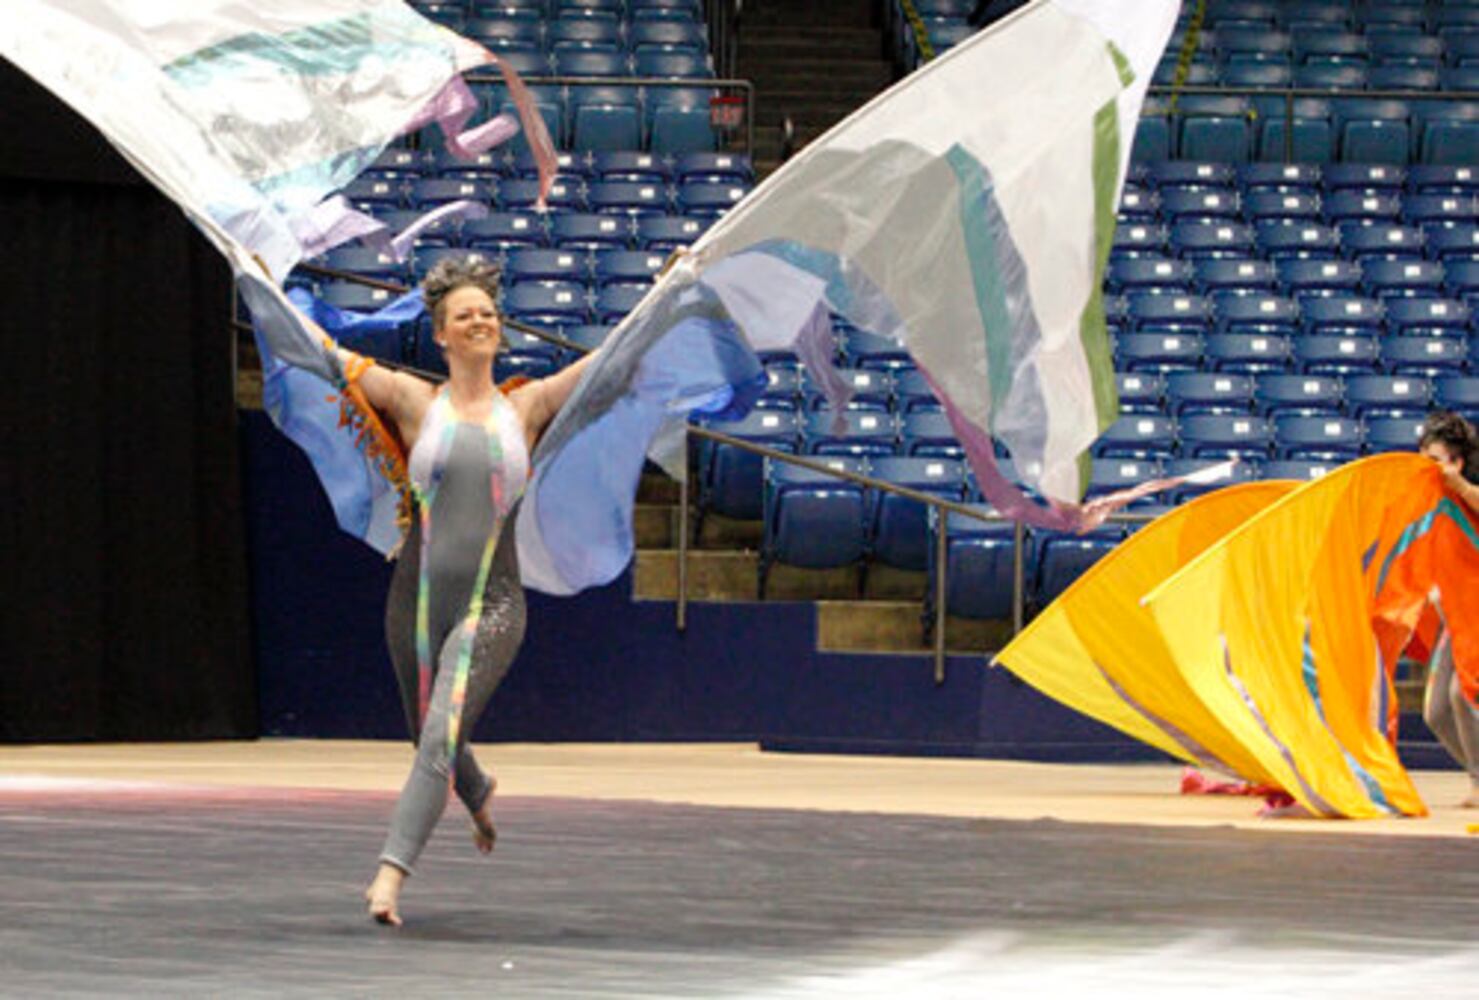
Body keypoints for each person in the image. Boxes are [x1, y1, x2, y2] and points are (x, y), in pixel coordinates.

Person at [320, 256, 599, 924]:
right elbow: (324, 357)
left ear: (499, 330)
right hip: (411, 603)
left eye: (487, 313)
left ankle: (389, 876)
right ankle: (476, 789)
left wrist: (672, 288)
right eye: (463, 314)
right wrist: (260, 287)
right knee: (428, 733)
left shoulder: (526, 406)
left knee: (441, 732)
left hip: (493, 603)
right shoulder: (414, 401)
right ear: (440, 334)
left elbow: (616, 359)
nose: (479, 320)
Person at [1417, 410, 1479, 808]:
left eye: (1435, 460)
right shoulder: (1430, 499)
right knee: (1436, 711)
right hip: (1454, 613)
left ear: (1456, 462)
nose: (1428, 467)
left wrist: (1461, 485)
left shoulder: (1467, 491)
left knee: (1462, 694)